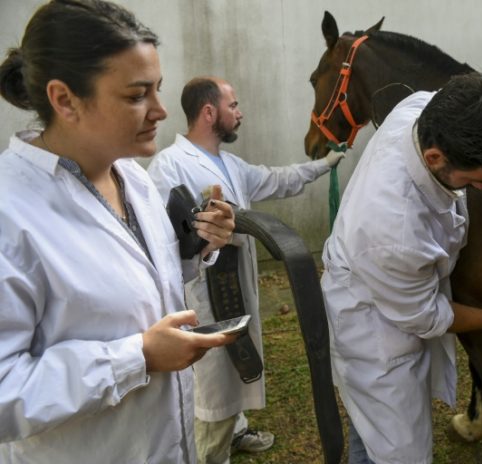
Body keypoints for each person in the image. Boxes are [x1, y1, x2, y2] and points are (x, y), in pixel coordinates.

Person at [0, 1, 238, 462]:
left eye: (158, 90)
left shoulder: (132, 176)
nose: (161, 110)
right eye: (136, 96)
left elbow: (129, 284)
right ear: (64, 99)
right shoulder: (10, 213)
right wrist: (137, 358)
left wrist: (198, 246)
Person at [320, 51, 482, 463]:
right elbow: (427, 316)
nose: (481, 190)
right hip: (375, 333)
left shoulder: (418, 110)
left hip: (380, 281)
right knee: (401, 448)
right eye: (476, 180)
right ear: (435, 158)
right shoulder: (394, 229)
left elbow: (453, 94)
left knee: (369, 425)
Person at [147, 76, 344, 464]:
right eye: (233, 105)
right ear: (208, 112)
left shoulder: (231, 164)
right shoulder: (167, 168)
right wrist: (203, 232)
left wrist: (323, 165)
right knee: (213, 384)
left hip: (237, 286)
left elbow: (277, 178)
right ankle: (211, 453)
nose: (240, 113)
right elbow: (160, 244)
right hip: (202, 295)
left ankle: (235, 430)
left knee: (237, 363)